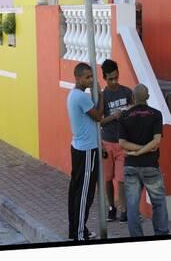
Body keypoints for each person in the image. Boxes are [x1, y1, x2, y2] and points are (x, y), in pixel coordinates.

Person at [119, 84, 169, 237]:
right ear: (147, 97)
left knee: (132, 206)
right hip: (150, 166)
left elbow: (122, 143)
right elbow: (156, 142)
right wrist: (144, 149)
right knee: (158, 203)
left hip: (131, 166)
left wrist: (136, 152)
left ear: (133, 98)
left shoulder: (124, 116)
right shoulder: (156, 114)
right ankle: (161, 234)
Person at [67, 62, 104, 241]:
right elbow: (98, 116)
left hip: (78, 148)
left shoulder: (74, 95)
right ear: (78, 77)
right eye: (87, 77)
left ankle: (77, 230)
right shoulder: (81, 97)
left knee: (76, 191)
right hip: (87, 150)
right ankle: (79, 234)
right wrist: (102, 93)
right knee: (84, 194)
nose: (90, 80)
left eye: (91, 76)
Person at [100, 59, 133, 223]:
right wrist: (114, 116)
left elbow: (135, 113)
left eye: (116, 77)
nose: (114, 82)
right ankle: (111, 207)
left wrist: (128, 114)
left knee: (121, 178)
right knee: (107, 178)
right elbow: (99, 121)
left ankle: (123, 209)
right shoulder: (103, 96)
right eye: (110, 79)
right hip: (107, 142)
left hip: (122, 142)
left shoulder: (127, 92)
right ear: (104, 78)